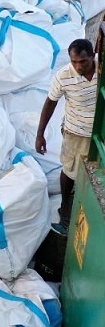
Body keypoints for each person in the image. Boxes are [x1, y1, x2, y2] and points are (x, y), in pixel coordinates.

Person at [35, 38, 97, 236]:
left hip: (98, 133)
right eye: (74, 62)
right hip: (76, 132)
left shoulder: (101, 70)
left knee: (95, 173)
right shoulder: (63, 76)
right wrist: (40, 135)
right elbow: (50, 103)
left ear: (92, 56)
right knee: (70, 171)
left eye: (83, 62)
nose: (78, 66)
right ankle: (65, 213)